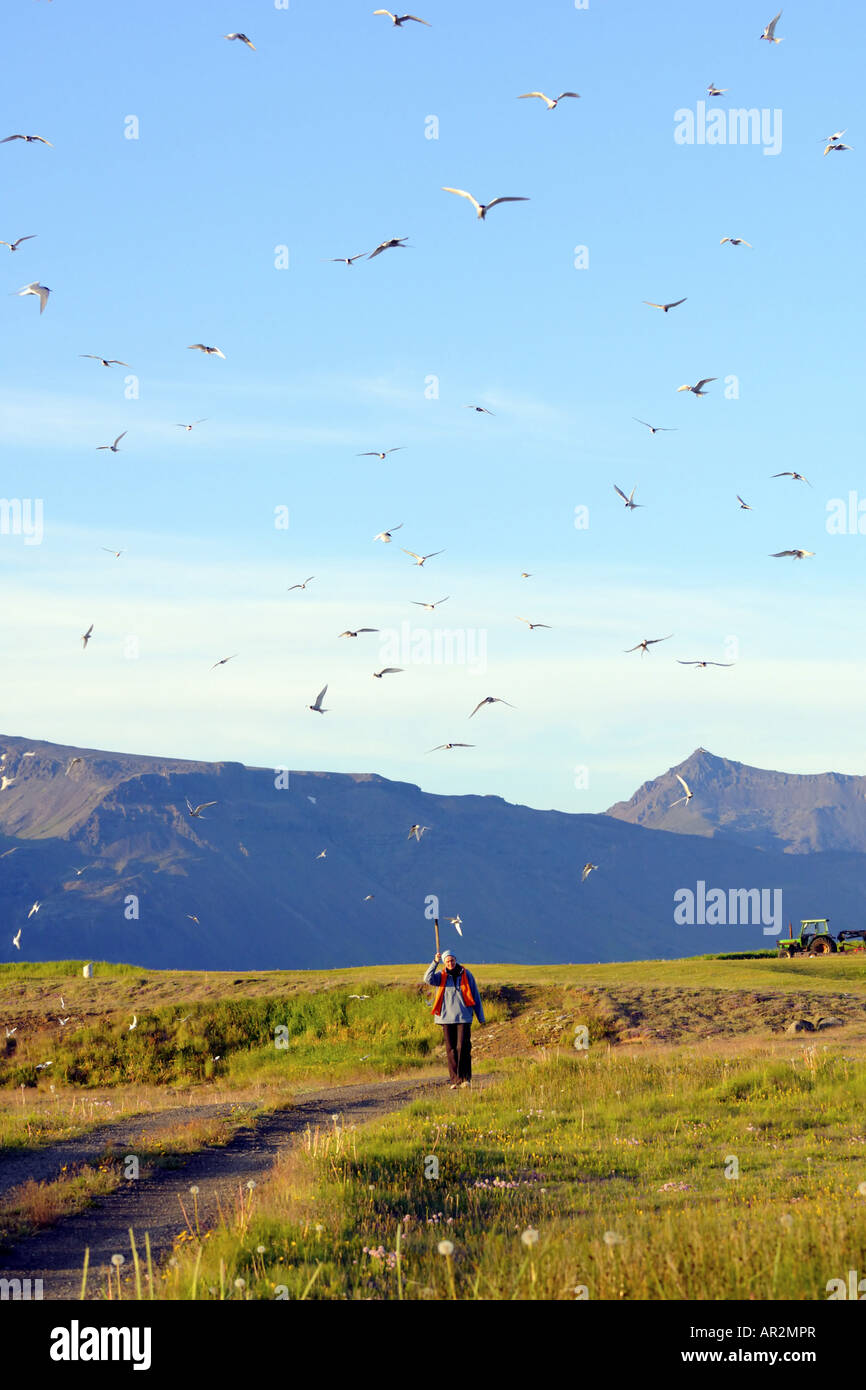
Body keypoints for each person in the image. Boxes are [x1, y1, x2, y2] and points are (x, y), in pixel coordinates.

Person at [423, 948, 485, 1089]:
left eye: (452, 960)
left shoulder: (467, 974)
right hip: (446, 1018)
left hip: (464, 1017)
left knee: (463, 1047)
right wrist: (434, 962)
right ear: (444, 963)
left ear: (456, 960)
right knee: (450, 1050)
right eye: (447, 961)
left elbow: (475, 995)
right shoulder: (440, 976)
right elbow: (427, 979)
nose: (450, 963)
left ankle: (465, 1079)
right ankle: (455, 1081)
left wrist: (480, 1016)